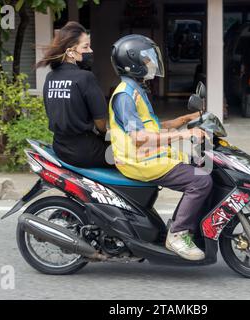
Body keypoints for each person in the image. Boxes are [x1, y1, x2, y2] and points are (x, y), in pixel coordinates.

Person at [109, 34, 213, 261]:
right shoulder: (125, 95)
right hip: (139, 160)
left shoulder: (135, 90)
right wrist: (184, 134)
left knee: (197, 169)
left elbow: (150, 127)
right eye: (147, 59)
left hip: (148, 157)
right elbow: (139, 137)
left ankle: (181, 225)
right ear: (133, 62)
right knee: (200, 180)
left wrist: (182, 120)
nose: (152, 64)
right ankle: (177, 235)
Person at [36, 21, 112, 168]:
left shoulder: (50, 77)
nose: (90, 51)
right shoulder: (85, 77)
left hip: (60, 147)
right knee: (128, 157)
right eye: (85, 47)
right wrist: (105, 132)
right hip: (85, 150)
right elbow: (100, 121)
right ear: (70, 52)